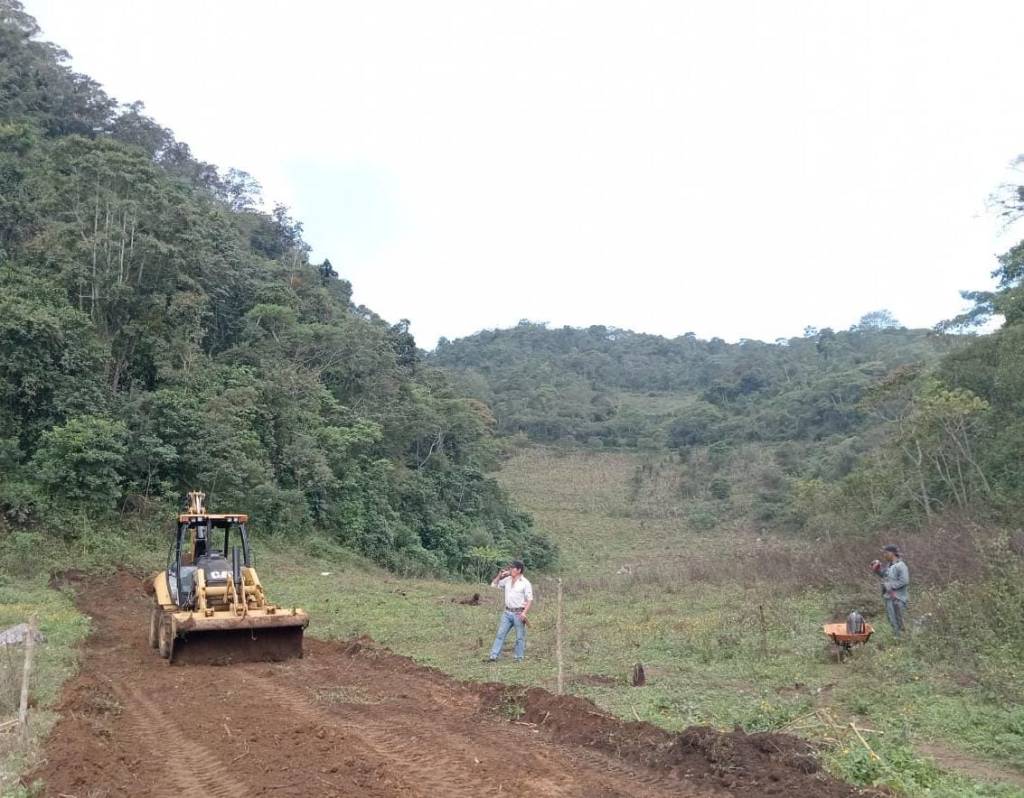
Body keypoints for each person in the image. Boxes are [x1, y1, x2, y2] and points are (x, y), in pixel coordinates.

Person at [485, 560, 533, 662]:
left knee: (519, 637)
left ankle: (518, 658)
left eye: (512, 568)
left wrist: (524, 613)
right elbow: (493, 585)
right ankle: (493, 656)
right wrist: (500, 575)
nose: (510, 570)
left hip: (518, 613)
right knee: (500, 635)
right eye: (510, 568)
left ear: (519, 570)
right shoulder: (507, 580)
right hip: (507, 613)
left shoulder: (525, 583)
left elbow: (529, 600)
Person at [871, 544, 909, 635]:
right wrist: (877, 570)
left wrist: (890, 585)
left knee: (900, 620)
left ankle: (903, 639)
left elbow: (904, 581)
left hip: (898, 598)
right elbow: (884, 575)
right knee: (892, 620)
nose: (884, 555)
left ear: (892, 553)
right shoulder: (889, 565)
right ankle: (897, 639)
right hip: (889, 598)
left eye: (886, 553)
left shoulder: (901, 565)